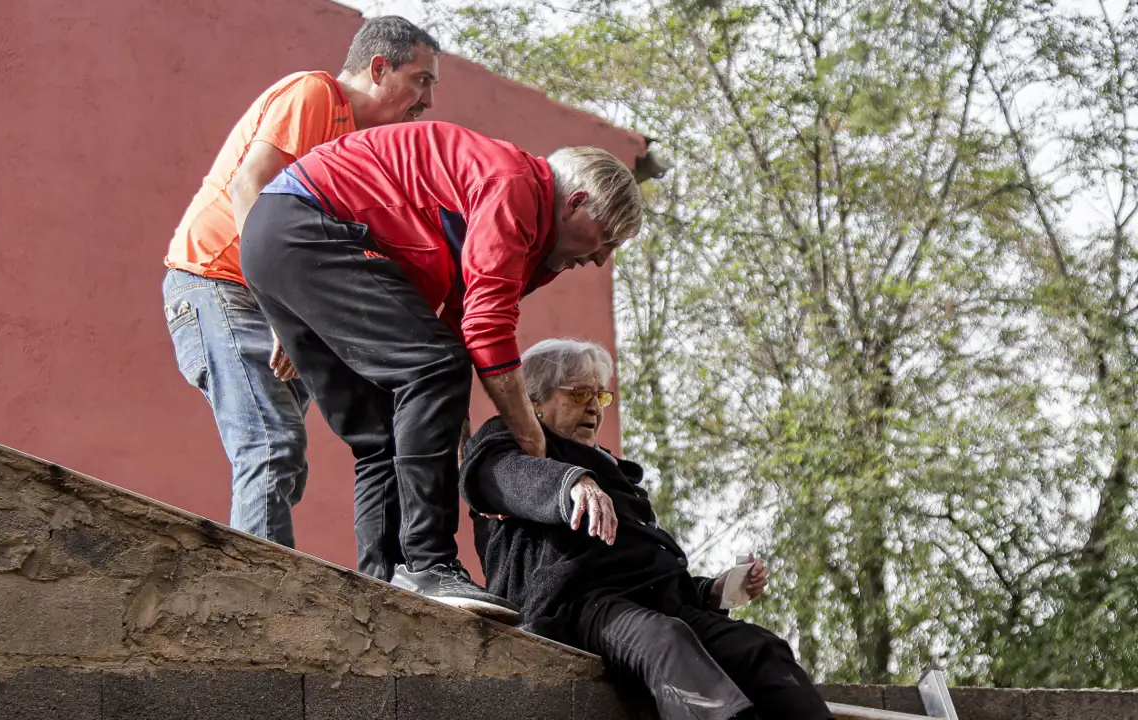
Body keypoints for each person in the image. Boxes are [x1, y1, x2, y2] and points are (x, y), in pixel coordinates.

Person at [239, 121, 643, 619]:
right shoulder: (515, 185)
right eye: (605, 239)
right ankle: (429, 564)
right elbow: (485, 328)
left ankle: (382, 584)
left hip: (277, 240)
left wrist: (455, 423)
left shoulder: (535, 242)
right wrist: (530, 438)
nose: (601, 259)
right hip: (309, 224)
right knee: (433, 367)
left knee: (383, 431)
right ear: (575, 202)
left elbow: (459, 315)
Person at [160, 17, 441, 548]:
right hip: (219, 286)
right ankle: (258, 602)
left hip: (271, 303)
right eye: (422, 80)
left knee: (285, 462)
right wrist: (282, 313)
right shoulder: (316, 93)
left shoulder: (358, 148)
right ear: (379, 68)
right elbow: (251, 185)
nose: (426, 101)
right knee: (271, 447)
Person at [460, 338, 835, 720]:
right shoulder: (508, 444)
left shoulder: (614, 470)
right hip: (580, 604)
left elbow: (642, 566)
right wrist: (572, 483)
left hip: (659, 604)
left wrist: (710, 591)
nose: (593, 406)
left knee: (760, 647)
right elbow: (498, 478)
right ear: (534, 401)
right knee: (666, 640)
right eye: (580, 393)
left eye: (600, 397)